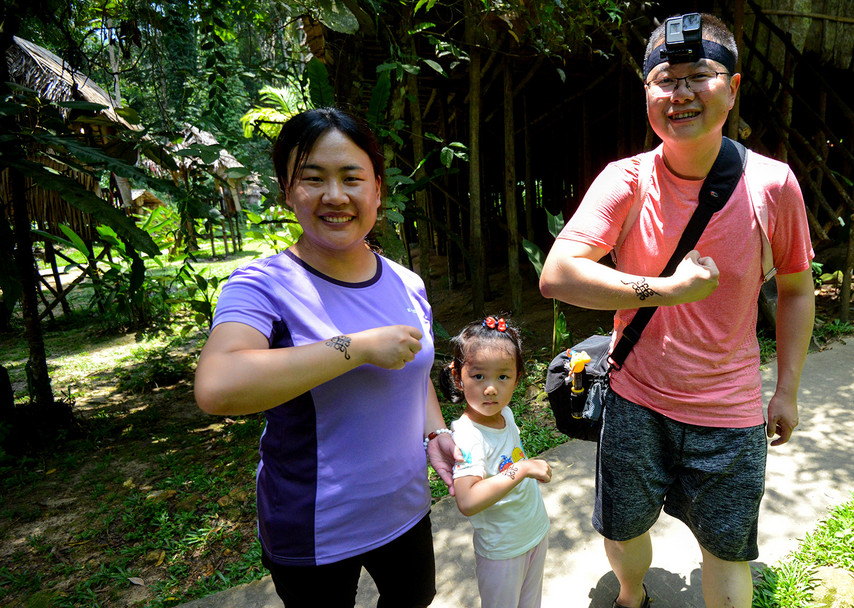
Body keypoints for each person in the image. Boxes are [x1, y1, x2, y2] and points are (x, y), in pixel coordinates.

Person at [538, 13, 816, 608]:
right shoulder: (627, 181)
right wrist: (666, 291)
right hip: (637, 397)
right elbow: (557, 274)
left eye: (700, 76)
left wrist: (787, 389)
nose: (681, 93)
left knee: (727, 551)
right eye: (665, 79)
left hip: (731, 410)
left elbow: (795, 287)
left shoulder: (773, 186)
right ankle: (632, 595)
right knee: (623, 530)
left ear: (733, 87)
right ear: (646, 94)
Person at [193, 108, 457, 608]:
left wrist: (435, 431)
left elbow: (414, 370)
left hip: (405, 509)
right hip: (312, 529)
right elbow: (217, 384)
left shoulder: (406, 281)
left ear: (377, 190)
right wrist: (355, 348)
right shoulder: (261, 286)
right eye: (313, 179)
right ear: (287, 192)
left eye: (351, 178)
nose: (335, 196)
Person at [438, 316, 552, 608]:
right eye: (478, 376)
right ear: (457, 376)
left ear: (517, 376)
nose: (491, 388)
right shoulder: (467, 435)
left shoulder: (506, 415)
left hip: (533, 533)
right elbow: (468, 499)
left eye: (503, 376)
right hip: (502, 551)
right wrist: (524, 468)